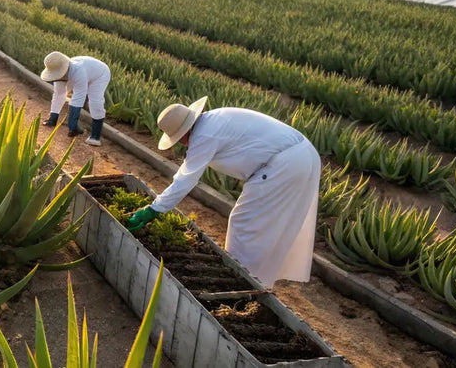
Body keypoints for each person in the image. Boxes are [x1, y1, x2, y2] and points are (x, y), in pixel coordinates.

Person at [126, 97, 321, 287]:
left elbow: (186, 178)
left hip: (285, 163)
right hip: (302, 153)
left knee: (245, 222)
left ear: (185, 132)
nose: (181, 143)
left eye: (178, 139)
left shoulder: (204, 135)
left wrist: (154, 209)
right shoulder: (213, 120)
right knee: (268, 221)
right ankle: (250, 276)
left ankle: (239, 279)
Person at [39, 51, 111, 146]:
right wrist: (53, 119)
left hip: (99, 74)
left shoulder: (78, 70)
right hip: (81, 73)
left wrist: (72, 126)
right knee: (60, 92)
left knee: (95, 100)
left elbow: (78, 97)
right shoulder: (57, 71)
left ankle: (95, 136)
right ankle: (64, 124)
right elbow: (59, 94)